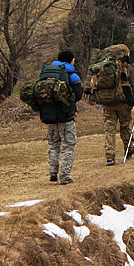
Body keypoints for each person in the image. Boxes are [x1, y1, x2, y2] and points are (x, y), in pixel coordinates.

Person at [41, 50, 83, 185]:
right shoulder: (72, 75)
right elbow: (78, 95)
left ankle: (53, 172)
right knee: (68, 145)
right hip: (66, 117)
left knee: (53, 144)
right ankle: (65, 176)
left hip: (50, 116)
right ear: (71, 60)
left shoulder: (48, 74)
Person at [102, 52, 134, 166]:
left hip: (107, 104)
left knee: (109, 130)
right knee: (125, 127)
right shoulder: (127, 68)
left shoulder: (105, 67)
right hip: (123, 104)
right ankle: (128, 150)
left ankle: (110, 156)